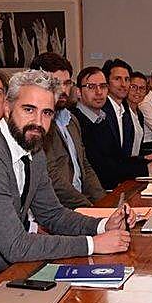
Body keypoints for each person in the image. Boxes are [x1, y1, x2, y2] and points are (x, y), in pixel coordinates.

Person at [0, 69, 134, 276]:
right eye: (29, 109)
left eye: (47, 113)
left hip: (16, 267)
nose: (38, 121)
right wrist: (92, 244)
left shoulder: (32, 146)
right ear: (7, 108)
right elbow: (16, 246)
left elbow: (52, 214)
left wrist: (102, 226)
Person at [30, 51, 106, 209]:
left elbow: (85, 166)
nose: (63, 90)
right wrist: (90, 208)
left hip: (83, 204)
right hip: (59, 210)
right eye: (56, 83)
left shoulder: (71, 120)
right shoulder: (37, 126)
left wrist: (104, 203)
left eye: (67, 83)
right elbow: (52, 179)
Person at [75, 65, 152, 190]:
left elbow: (119, 159)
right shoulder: (77, 121)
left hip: (113, 186)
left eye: (102, 86)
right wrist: (145, 168)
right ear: (78, 92)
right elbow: (101, 169)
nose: (98, 92)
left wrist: (147, 159)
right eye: (91, 87)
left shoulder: (102, 117)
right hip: (99, 191)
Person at [102, 58, 145, 159]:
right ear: (106, 82)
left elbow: (127, 154)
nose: (123, 84)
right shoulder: (102, 111)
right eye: (117, 79)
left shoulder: (125, 110)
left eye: (127, 79)